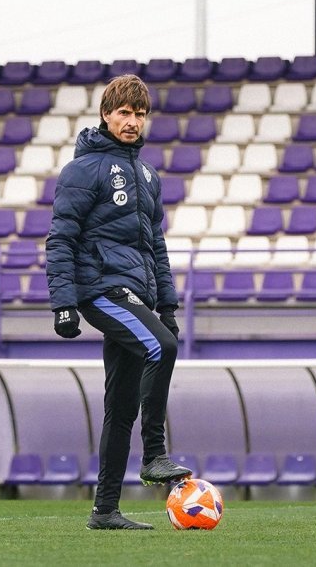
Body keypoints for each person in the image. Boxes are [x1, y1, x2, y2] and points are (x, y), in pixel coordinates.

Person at [45, 73, 192, 530]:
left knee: (122, 405)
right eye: (125, 112)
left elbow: (157, 247)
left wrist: (167, 304)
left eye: (140, 113)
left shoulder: (148, 174)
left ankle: (104, 510)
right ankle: (155, 455)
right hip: (101, 290)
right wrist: (63, 302)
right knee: (162, 346)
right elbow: (60, 238)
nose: (133, 122)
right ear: (106, 114)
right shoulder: (82, 169)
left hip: (137, 292)